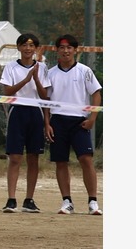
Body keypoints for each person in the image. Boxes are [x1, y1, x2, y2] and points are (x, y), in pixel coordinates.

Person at [43, 34, 103, 216]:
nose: (66, 51)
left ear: (75, 50)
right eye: (62, 47)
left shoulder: (84, 71)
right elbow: (45, 100)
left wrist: (92, 117)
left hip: (79, 121)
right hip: (58, 121)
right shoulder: (50, 72)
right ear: (57, 50)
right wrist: (47, 123)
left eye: (70, 47)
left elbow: (96, 93)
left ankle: (93, 201)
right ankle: (67, 201)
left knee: (86, 159)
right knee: (61, 162)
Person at [0, 32, 51, 214]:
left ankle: (29, 200)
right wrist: (26, 79)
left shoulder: (43, 68)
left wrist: (36, 78)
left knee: (33, 158)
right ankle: (11, 199)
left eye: (31, 45)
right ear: (19, 48)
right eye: (24, 45)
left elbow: (46, 97)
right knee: (15, 158)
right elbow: (7, 92)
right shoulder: (11, 67)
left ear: (36, 48)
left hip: (35, 113)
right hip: (17, 112)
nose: (28, 48)